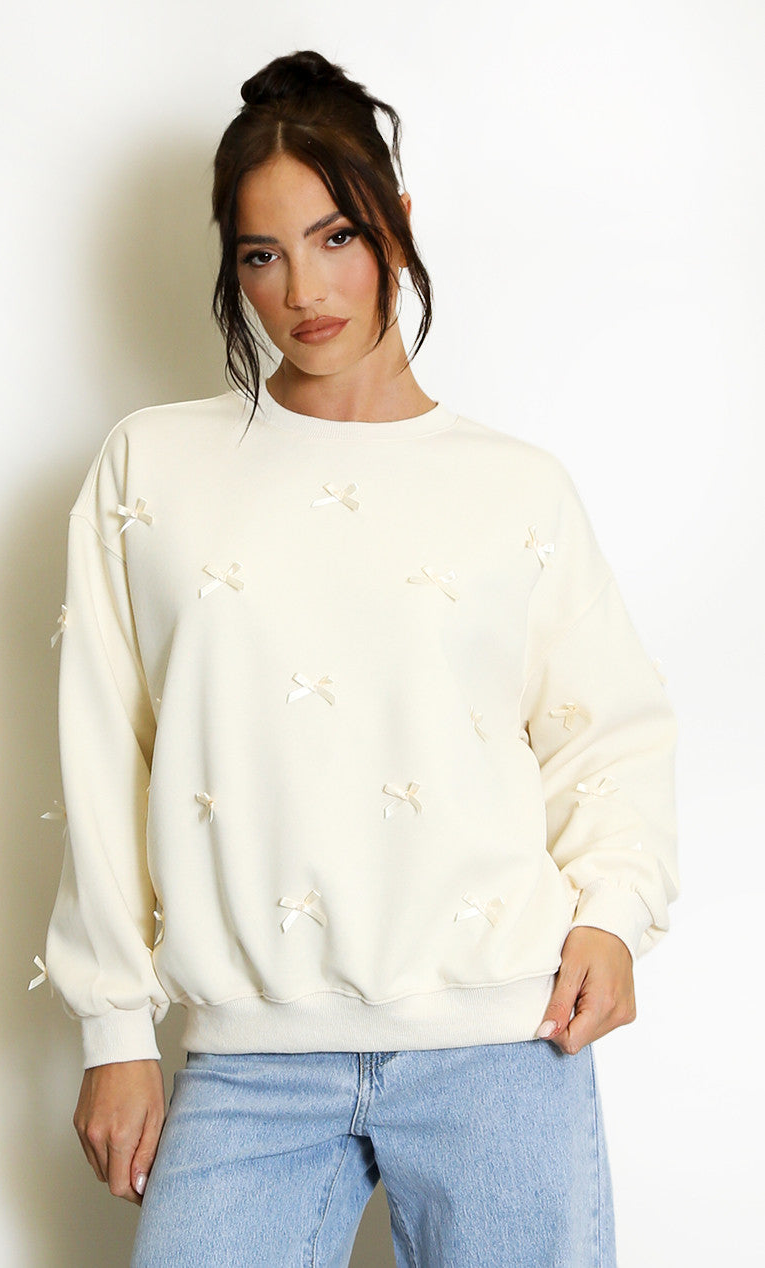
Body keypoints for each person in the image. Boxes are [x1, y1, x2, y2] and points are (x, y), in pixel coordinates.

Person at [39, 49, 679, 1267]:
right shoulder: (152, 469)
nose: (302, 289)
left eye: (335, 237)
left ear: (396, 223)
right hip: (250, 1056)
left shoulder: (516, 487)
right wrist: (114, 1027)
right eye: (261, 254)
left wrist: (611, 915)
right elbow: (103, 748)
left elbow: (608, 730)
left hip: (506, 1038)